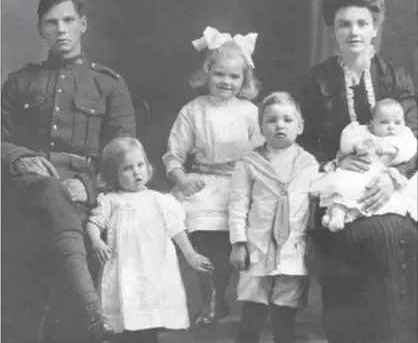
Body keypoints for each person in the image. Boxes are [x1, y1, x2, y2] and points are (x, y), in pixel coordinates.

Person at [1, 0, 136, 342]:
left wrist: (91, 187)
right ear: (40, 30)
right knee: (47, 189)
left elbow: (124, 153)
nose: (60, 30)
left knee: (56, 207)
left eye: (68, 21)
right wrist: (19, 157)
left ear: (83, 25)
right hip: (28, 187)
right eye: (51, 23)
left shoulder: (109, 84)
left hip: (81, 190)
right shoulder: (18, 83)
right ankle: (92, 310)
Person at [298, 0, 418, 343]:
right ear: (332, 30)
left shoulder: (396, 78)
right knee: (362, 238)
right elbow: (303, 143)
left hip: (397, 180)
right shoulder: (314, 81)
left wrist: (393, 177)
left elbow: (416, 137)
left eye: (362, 23)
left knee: (396, 231)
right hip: (338, 184)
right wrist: (335, 161)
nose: (354, 32)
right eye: (344, 24)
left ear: (375, 28)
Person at [162, 26, 264, 332]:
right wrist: (182, 181)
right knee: (201, 237)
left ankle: (226, 296)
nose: (226, 82)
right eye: (220, 74)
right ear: (208, 72)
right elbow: (173, 155)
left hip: (239, 184)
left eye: (234, 77)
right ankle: (208, 298)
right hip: (203, 183)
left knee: (233, 239)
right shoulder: (193, 111)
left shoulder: (250, 112)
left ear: (244, 80)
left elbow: (262, 154)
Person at [85, 137, 213, 343]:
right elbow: (94, 222)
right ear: (113, 175)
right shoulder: (112, 200)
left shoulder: (158, 199)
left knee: (150, 320)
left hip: (152, 270)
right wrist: (96, 241)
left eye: (140, 165)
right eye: (127, 168)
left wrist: (190, 254)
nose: (136, 172)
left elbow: (176, 229)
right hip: (125, 269)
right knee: (128, 317)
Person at [229, 92, 319, 343]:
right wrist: (238, 243)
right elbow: (238, 205)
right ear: (261, 127)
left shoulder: (310, 165)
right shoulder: (249, 164)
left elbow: (313, 208)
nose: (280, 125)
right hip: (257, 246)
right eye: (272, 120)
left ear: (300, 126)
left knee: (285, 312)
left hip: (293, 248)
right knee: (253, 308)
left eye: (287, 120)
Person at [311, 98, 417, 232]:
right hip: (361, 171)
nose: (391, 127)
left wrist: (394, 152)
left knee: (375, 200)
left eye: (397, 122)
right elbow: (347, 140)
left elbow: (410, 149)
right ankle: (335, 214)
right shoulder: (365, 132)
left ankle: (345, 216)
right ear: (373, 124)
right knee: (345, 187)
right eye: (384, 122)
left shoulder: (403, 136)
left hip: (383, 174)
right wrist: (356, 146)